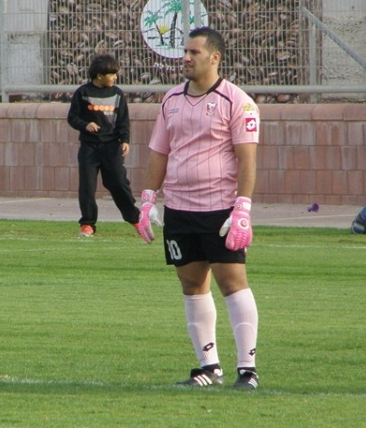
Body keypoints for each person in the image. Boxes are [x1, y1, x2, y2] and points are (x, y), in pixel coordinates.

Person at [136, 27, 260, 389]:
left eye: (194, 52)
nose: (186, 58)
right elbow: (159, 151)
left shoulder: (238, 102)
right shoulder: (171, 99)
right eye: (185, 52)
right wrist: (147, 199)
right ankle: (209, 367)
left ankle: (247, 369)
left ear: (214, 58)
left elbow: (247, 159)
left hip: (219, 209)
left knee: (232, 282)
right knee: (191, 283)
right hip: (179, 209)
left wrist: (242, 208)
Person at [67, 53, 140, 237]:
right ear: (99, 75)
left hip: (111, 147)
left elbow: (123, 120)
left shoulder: (117, 93)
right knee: (87, 187)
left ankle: (136, 219)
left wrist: (125, 140)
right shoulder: (82, 93)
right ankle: (87, 224)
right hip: (89, 148)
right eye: (112, 74)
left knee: (118, 182)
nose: (115, 77)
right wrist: (85, 125)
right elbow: (72, 117)